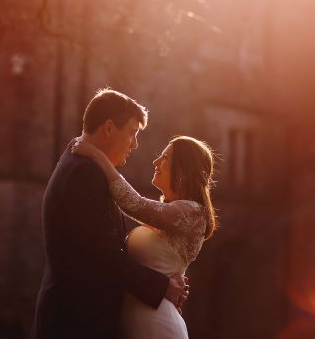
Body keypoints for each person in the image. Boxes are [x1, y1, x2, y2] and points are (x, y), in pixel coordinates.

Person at [31, 89, 188, 339]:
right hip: (75, 323)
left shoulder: (81, 165)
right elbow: (104, 255)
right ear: (108, 128)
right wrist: (162, 287)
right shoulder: (84, 174)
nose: (135, 144)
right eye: (132, 133)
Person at [72, 134, 217, 339]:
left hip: (158, 324)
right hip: (136, 321)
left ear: (183, 171)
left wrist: (97, 155)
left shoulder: (192, 212)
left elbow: (134, 204)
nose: (155, 162)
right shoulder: (169, 213)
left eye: (165, 158)